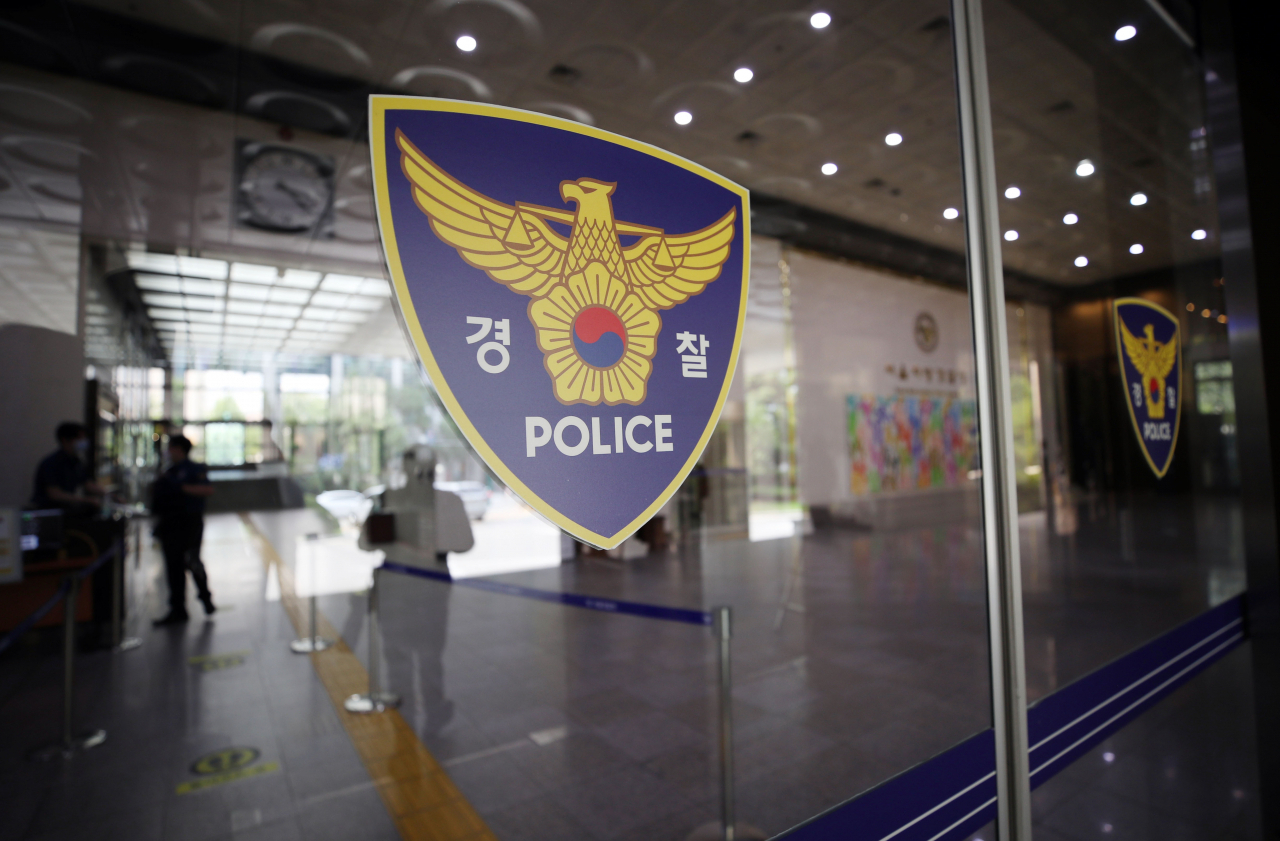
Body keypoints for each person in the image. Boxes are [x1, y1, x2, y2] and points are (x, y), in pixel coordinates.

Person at [152, 435, 215, 625]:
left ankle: (205, 598)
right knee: (173, 566)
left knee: (192, 560)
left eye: (170, 447)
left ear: (179, 449)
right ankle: (178, 609)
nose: (168, 451)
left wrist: (181, 487)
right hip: (170, 524)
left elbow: (207, 490)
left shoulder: (194, 469)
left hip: (190, 523)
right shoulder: (168, 472)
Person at [30, 422, 104, 512]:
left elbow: (87, 484)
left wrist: (108, 494)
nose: (83, 441)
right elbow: (55, 494)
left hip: (65, 510)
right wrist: (86, 500)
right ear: (65, 440)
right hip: (48, 511)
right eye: (79, 438)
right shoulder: (52, 463)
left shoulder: (76, 462)